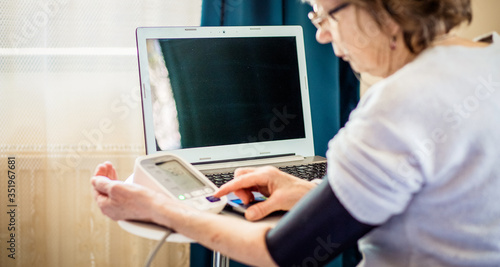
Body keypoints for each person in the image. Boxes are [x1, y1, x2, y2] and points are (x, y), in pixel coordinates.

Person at [91, 0, 500, 266]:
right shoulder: (490, 55)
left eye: (325, 15)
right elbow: (437, 205)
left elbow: (282, 252)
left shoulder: (398, 105)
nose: (321, 34)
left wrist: (160, 208)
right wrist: (310, 195)